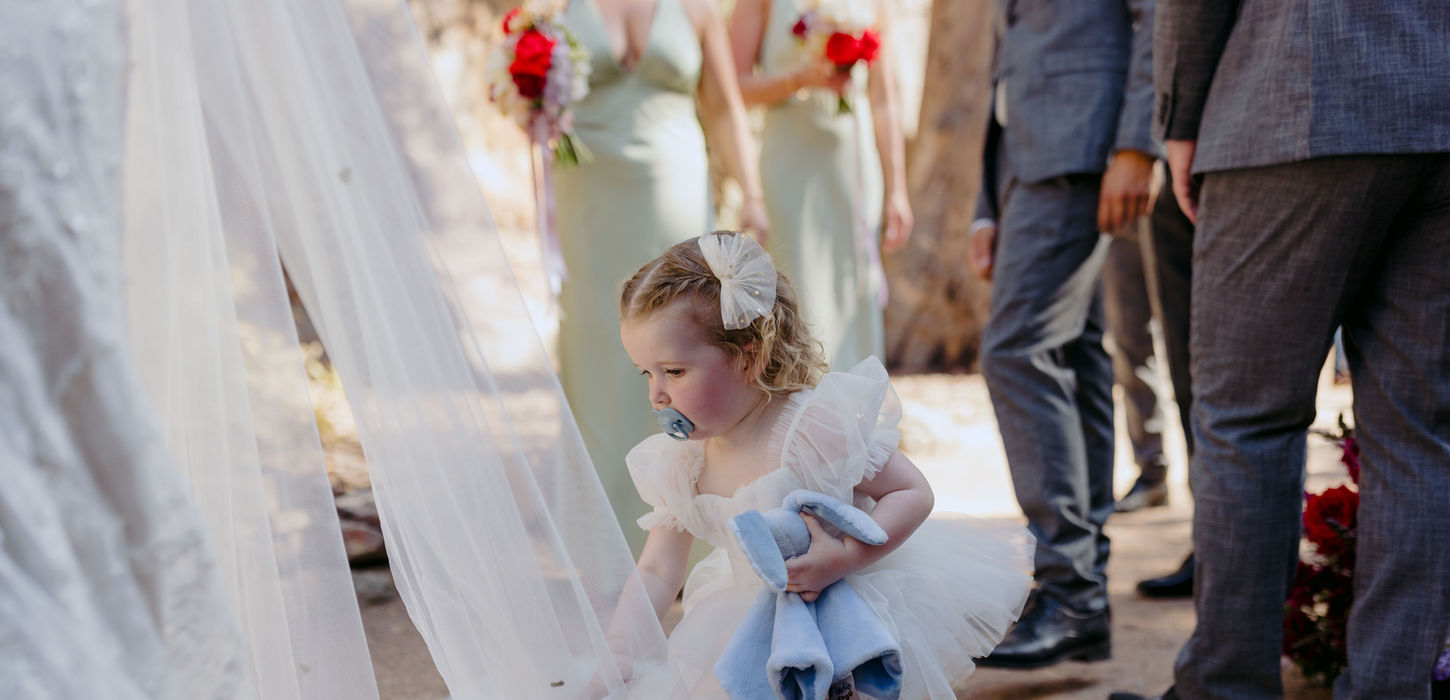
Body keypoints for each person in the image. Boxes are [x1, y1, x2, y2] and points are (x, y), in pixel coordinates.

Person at [1113, 1, 1450, 698]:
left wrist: (1179, 118)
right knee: (1419, 435)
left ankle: (1226, 687)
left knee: (1246, 422)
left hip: (1295, 92)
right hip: (1439, 108)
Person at [613, 231, 1034, 698]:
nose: (658, 395)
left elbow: (911, 491)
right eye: (646, 373)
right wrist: (619, 648)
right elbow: (656, 569)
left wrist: (848, 555)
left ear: (748, 357)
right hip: (746, 626)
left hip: (848, 613)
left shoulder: (810, 428)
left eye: (674, 371)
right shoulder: (682, 464)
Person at [966, 0, 1159, 670]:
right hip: (1024, 160)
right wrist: (985, 206)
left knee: (1016, 351)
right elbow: (1008, 60)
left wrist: (1138, 143)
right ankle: (1082, 588)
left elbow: (1154, 15)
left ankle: (1070, 588)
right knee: (1073, 355)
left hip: (1088, 142)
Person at [556, 0, 770, 551]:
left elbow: (722, 107)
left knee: (686, 345)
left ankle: (695, 529)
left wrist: (752, 193)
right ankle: (605, 544)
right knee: (601, 361)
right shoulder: (555, 7)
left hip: (672, 184)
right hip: (587, 197)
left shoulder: (696, 8)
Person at [727, 0, 913, 369]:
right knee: (798, 290)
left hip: (852, 168)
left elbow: (884, 100)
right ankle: (798, 404)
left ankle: (854, 411)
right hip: (788, 167)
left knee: (853, 290)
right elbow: (733, 86)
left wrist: (897, 189)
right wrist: (798, 80)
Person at [1103, 232, 1172, 514]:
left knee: (1189, 343)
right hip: (1118, 216)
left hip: (1176, 208)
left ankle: (1207, 480)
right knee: (1128, 341)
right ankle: (1152, 474)